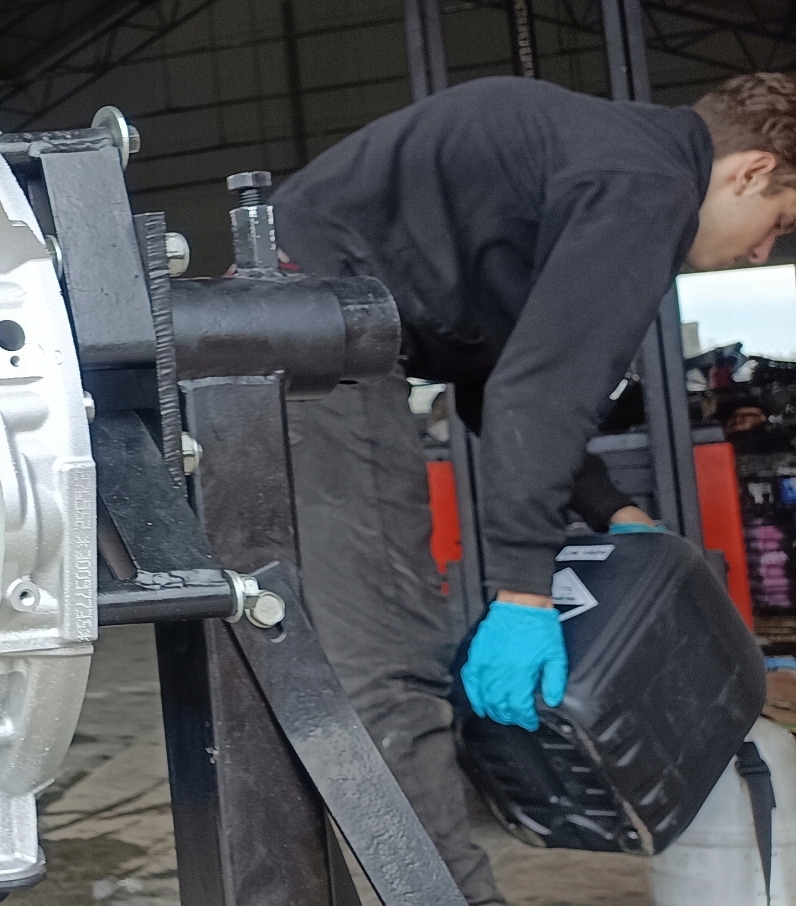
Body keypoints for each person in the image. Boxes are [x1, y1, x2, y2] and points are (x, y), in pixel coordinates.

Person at [269, 73, 796, 904]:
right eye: (780, 222)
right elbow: (536, 394)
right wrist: (525, 591)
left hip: (282, 321)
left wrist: (615, 513)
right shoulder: (651, 184)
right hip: (322, 332)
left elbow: (495, 374)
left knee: (284, 650)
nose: (764, 250)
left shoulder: (601, 156)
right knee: (388, 669)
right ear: (751, 170)